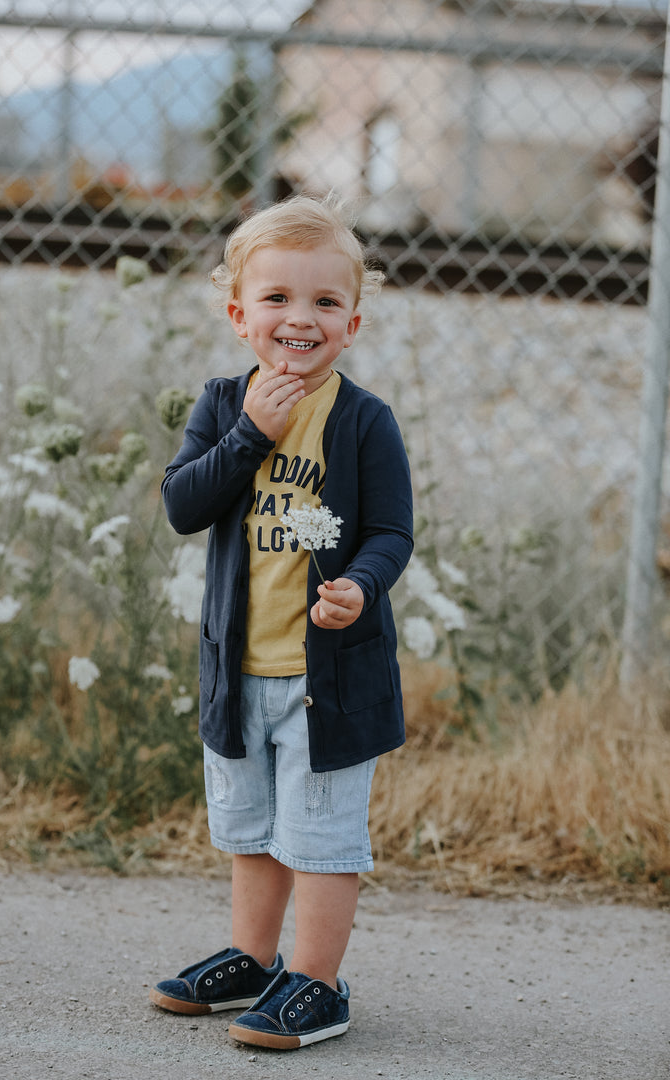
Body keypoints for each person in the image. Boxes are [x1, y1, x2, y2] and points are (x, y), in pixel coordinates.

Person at [151, 194, 414, 1050]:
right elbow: (183, 506)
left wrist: (362, 589)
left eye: (325, 302)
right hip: (241, 671)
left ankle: (318, 983)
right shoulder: (226, 404)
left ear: (353, 322)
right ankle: (254, 961)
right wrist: (250, 437)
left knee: (323, 837)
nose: (300, 318)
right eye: (277, 298)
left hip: (329, 682)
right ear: (239, 316)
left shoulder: (365, 420)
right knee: (252, 828)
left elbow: (390, 532)